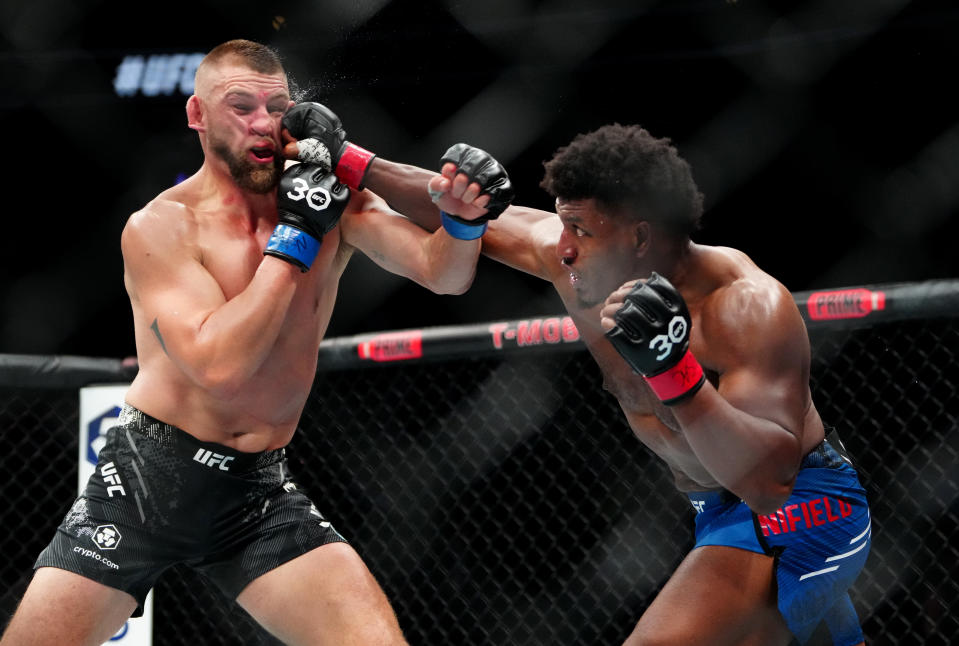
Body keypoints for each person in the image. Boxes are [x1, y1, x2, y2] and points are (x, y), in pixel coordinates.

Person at [0, 40, 513, 646]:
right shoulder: (161, 227)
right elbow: (221, 367)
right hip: (146, 483)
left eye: (276, 106)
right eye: (240, 105)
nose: (262, 122)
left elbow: (444, 275)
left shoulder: (331, 203)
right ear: (198, 115)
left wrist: (460, 220)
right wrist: (297, 235)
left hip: (256, 492)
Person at [313, 121, 872, 645]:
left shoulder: (745, 306)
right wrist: (352, 160)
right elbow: (466, 214)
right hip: (714, 512)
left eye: (581, 228)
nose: (562, 245)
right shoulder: (573, 260)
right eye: (563, 222)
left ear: (640, 237)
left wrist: (675, 371)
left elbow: (770, 481)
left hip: (802, 510)